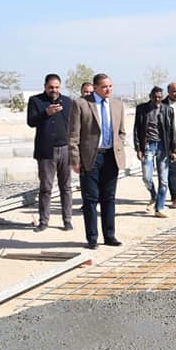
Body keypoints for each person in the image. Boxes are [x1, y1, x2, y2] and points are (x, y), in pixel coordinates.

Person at [68, 73, 126, 249]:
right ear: (95, 88)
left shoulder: (117, 105)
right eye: (104, 87)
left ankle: (110, 236)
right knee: (90, 199)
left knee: (109, 198)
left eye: (110, 86)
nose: (108, 89)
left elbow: (121, 132)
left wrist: (119, 145)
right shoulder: (81, 104)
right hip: (90, 158)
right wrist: (75, 159)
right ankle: (92, 238)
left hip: (111, 157)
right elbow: (73, 135)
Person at [26, 73, 73, 231]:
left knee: (66, 187)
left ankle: (67, 220)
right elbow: (31, 122)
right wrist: (46, 113)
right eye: (51, 87)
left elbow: (73, 125)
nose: (54, 90)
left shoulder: (67, 102)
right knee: (46, 188)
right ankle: (44, 221)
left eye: (57, 87)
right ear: (45, 87)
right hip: (46, 151)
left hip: (65, 149)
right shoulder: (36, 101)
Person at [133, 86, 176, 218]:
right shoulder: (141, 109)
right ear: (150, 97)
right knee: (146, 178)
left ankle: (159, 208)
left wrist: (173, 150)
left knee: (164, 181)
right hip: (148, 146)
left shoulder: (168, 110)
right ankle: (153, 195)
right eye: (155, 97)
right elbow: (136, 130)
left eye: (159, 97)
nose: (157, 99)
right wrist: (138, 148)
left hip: (163, 147)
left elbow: (172, 132)